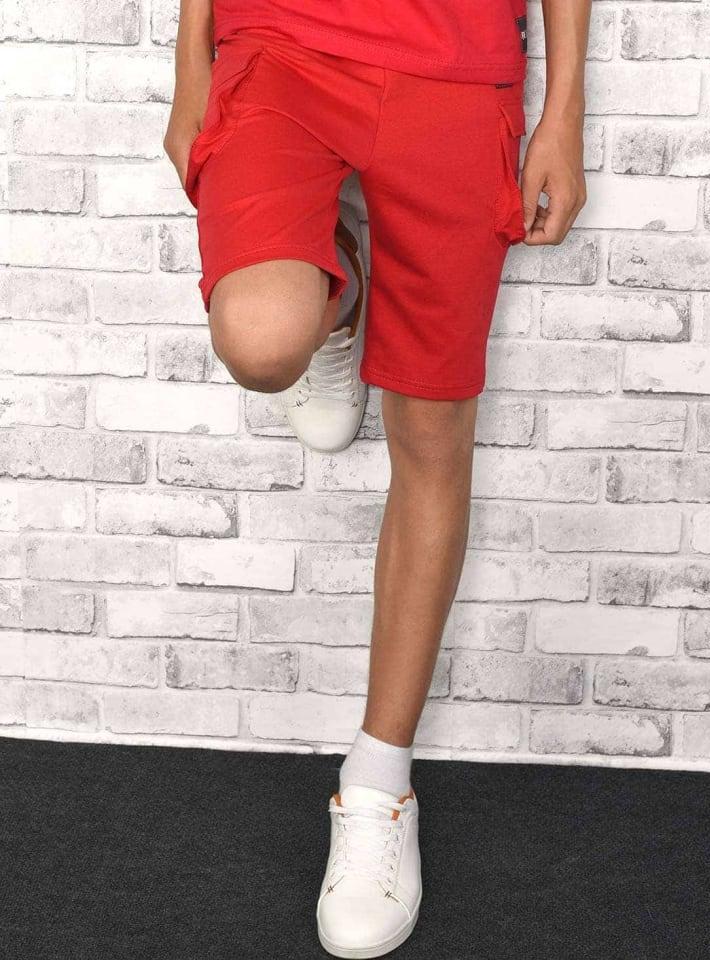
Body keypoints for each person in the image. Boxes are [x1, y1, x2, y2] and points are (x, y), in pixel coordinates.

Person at [164, 0, 590, 954]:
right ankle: (341, 283)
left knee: (434, 430)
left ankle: (378, 786)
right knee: (260, 338)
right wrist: (191, 65)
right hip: (283, 42)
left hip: (457, 65)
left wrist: (563, 110)